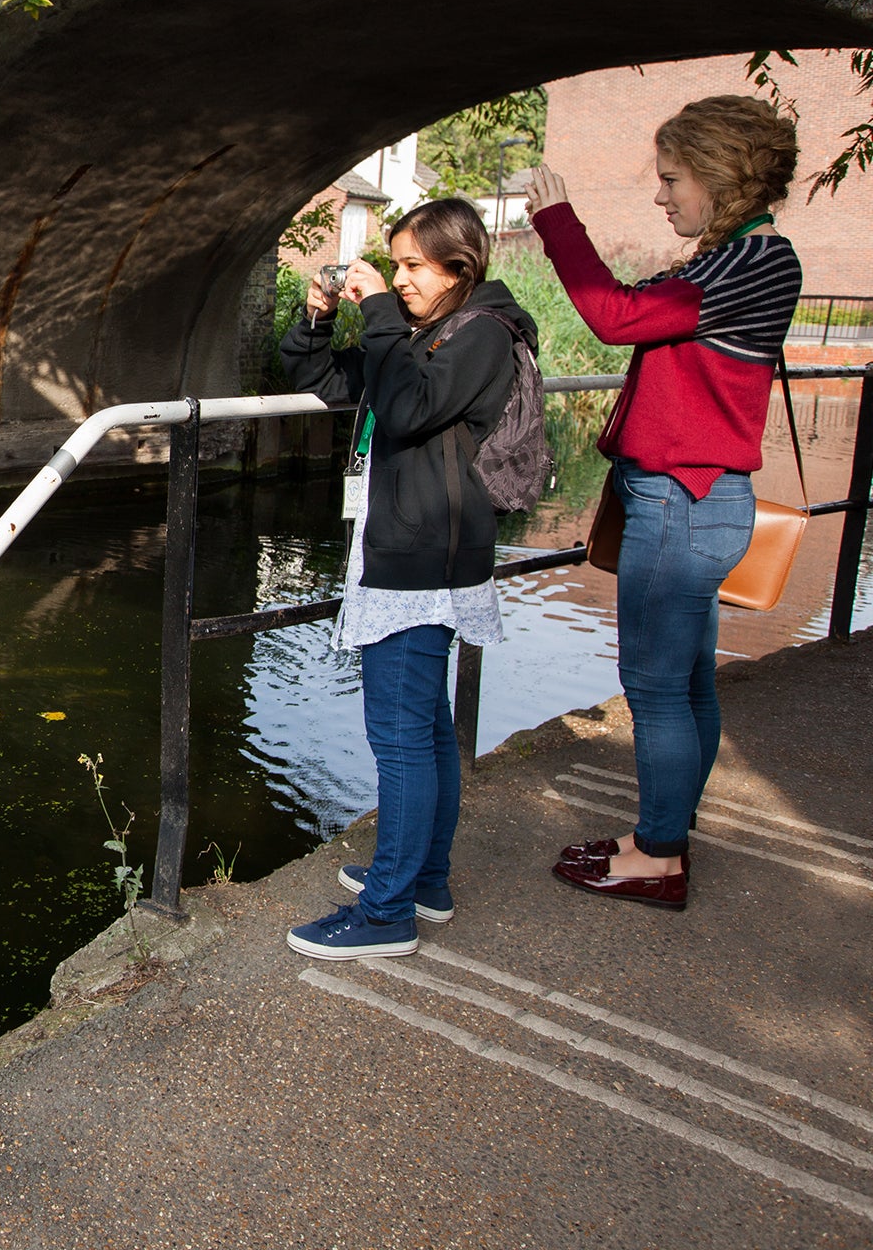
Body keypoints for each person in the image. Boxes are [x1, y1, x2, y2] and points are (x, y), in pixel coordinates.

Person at [526, 95, 802, 911]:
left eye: (673, 179)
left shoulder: (751, 264)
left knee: (654, 688)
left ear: (723, 178)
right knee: (686, 684)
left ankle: (659, 855)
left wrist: (557, 221)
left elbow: (614, 318)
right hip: (691, 498)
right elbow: (637, 311)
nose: (662, 196)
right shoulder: (728, 261)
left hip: (683, 502)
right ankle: (664, 832)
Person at [280, 198, 539, 958]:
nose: (401, 279)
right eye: (395, 266)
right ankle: (424, 880)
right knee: (424, 733)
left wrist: (385, 314)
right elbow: (326, 380)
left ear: (460, 270)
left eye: (413, 267)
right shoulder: (433, 332)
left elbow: (407, 407)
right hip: (415, 551)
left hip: (421, 562)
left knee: (398, 740)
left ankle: (388, 911)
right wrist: (322, 319)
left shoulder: (483, 335)